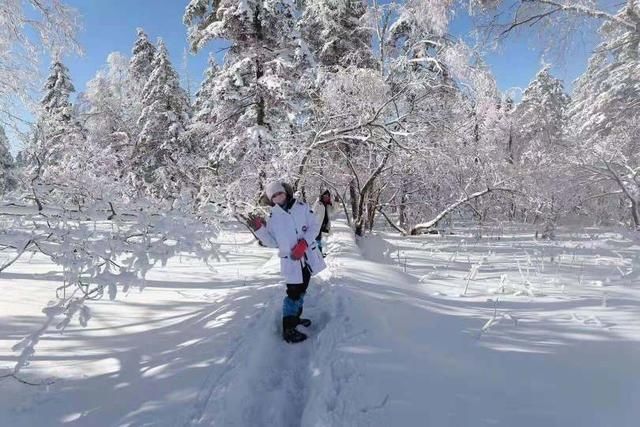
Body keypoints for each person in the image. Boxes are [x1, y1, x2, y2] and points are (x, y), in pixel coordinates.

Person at [248, 181, 326, 343]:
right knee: (293, 293)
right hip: (291, 261)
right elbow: (271, 241)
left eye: (279, 193)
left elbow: (314, 226)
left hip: (307, 257)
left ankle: (295, 318)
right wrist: (260, 230)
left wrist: (304, 243)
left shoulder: (302, 207)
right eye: (274, 196)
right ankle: (288, 328)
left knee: (302, 289)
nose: (278, 197)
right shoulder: (273, 217)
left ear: (286, 192)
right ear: (271, 200)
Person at [312, 190, 333, 257]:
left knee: (322, 239)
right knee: (317, 239)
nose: (326, 197)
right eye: (325, 196)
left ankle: (321, 252)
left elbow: (334, 211)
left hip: (325, 225)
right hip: (317, 224)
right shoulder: (318, 203)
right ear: (322, 196)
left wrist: (333, 203)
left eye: (328, 196)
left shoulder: (328, 205)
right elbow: (312, 212)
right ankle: (318, 253)